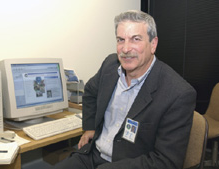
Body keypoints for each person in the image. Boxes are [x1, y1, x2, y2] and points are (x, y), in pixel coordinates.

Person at [53, 10, 196, 169]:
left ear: (153, 44)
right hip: (93, 155)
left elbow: (166, 162)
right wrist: (90, 127)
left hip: (130, 163)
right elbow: (90, 93)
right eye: (121, 40)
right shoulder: (110, 65)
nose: (126, 49)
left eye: (136, 39)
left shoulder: (178, 93)